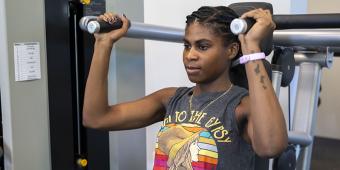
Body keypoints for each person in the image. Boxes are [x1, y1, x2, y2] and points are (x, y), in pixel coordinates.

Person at [83, 6, 288, 170]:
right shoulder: (171, 98)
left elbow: (271, 147)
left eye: (203, 46)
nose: (190, 55)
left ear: (232, 50)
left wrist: (251, 47)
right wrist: (103, 44)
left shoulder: (240, 105)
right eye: (187, 45)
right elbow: (96, 118)